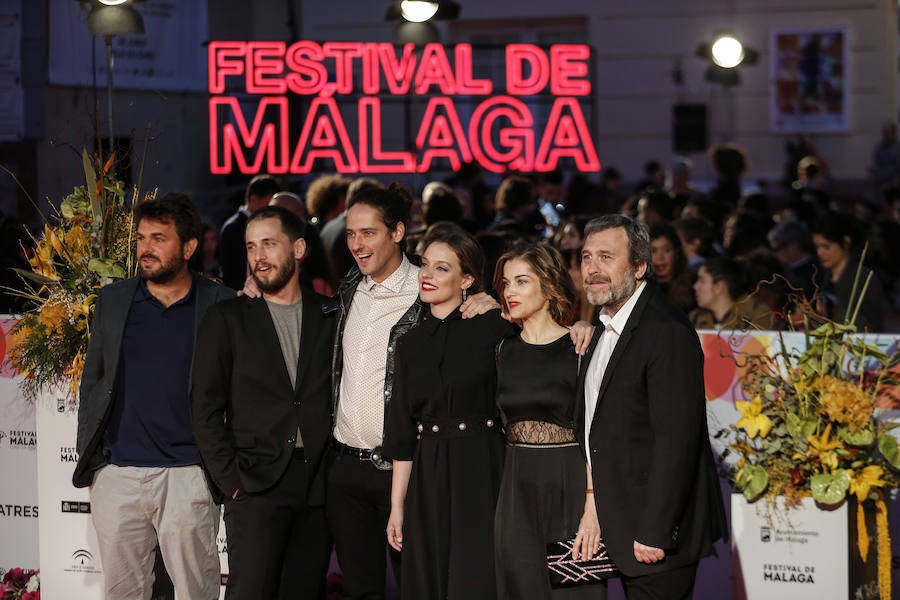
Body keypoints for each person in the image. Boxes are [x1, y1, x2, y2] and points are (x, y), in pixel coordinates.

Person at [328, 184, 500, 600]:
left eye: (367, 233)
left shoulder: (429, 299)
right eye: (350, 234)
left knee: (421, 583)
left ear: (398, 232)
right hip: (347, 465)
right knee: (361, 588)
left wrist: (492, 304)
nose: (357, 244)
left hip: (410, 468)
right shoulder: (349, 287)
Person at [73, 193, 233, 600]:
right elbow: (93, 381)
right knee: (123, 592)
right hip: (119, 474)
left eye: (159, 238)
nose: (146, 248)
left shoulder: (220, 304)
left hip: (188, 475)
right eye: (142, 238)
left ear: (189, 247)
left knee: (196, 591)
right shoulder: (113, 301)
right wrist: (98, 467)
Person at [577, 214, 727, 600]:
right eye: (587, 257)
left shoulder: (665, 332)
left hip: (656, 535)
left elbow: (676, 442)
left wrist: (656, 531)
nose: (592, 268)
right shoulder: (605, 321)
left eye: (606, 257)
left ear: (640, 267)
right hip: (620, 519)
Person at [192, 206, 334, 599]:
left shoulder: (330, 315)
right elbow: (204, 408)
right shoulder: (228, 318)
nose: (259, 256)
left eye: (269, 244)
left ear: (299, 248)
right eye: (252, 246)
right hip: (254, 486)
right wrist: (232, 484)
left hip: (317, 488)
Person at [382, 224, 515, 599]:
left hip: (483, 467)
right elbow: (402, 434)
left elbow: (545, 339)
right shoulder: (408, 342)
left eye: (442, 268)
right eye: (425, 265)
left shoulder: (496, 327)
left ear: (467, 279)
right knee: (430, 578)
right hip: (429, 471)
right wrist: (397, 506)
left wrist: (579, 329)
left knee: (477, 578)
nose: (427, 275)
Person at [492, 243, 599, 600]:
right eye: (506, 283)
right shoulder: (502, 350)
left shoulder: (580, 347)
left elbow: (594, 435)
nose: (510, 292)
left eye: (521, 281)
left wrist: (592, 508)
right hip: (515, 492)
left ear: (549, 286)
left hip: (568, 487)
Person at [812, 212, 886, 331]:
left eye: (826, 247)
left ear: (845, 242)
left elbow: (871, 326)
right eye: (817, 247)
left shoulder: (864, 279)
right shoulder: (821, 276)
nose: (820, 253)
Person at [220, 174, 281, 290]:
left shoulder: (237, 225)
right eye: (268, 204)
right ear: (253, 200)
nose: (271, 210)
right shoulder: (234, 228)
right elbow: (232, 273)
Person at [649, 223, 695, 313]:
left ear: (676, 253)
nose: (660, 257)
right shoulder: (640, 288)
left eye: (667, 250)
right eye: (653, 251)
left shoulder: (693, 286)